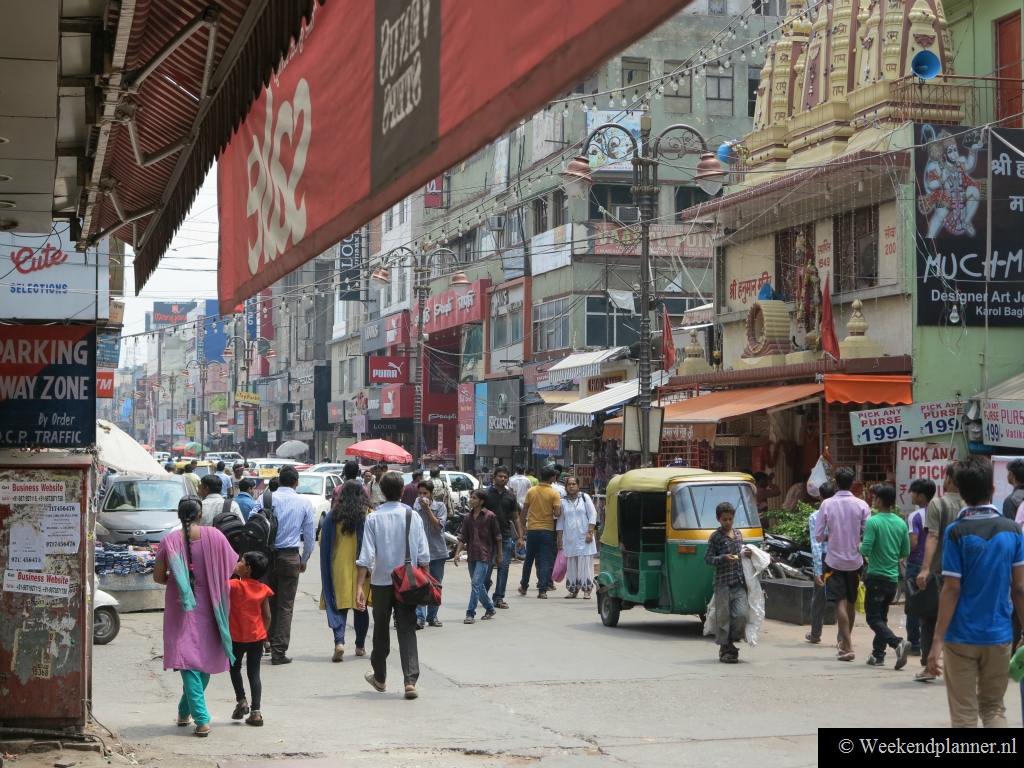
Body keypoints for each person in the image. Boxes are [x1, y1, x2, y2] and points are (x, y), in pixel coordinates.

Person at [926, 458, 1024, 728]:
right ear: (993, 489)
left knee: (964, 715)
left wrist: (937, 641)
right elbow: (1019, 588)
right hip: (999, 636)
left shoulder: (956, 532)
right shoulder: (1013, 530)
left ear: (960, 491)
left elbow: (952, 589)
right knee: (994, 709)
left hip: (960, 637)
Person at [153, 495, 237, 737]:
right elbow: (231, 568)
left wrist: (181, 581)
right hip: (212, 604)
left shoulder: (168, 541)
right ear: (201, 515)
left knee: (188, 661)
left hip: (180, 606)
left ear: (179, 516)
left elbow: (158, 577)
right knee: (200, 660)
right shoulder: (216, 536)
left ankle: (190, 715)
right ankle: (197, 717)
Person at [356, 471, 429, 699]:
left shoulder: (373, 518)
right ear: (402, 492)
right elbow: (423, 555)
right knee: (407, 629)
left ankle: (380, 677)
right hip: (408, 582)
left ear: (381, 492)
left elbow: (366, 557)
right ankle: (410, 682)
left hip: (381, 582)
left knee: (380, 629)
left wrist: (359, 587)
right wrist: (427, 584)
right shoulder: (413, 516)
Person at [250, 466, 316, 665]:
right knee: (286, 606)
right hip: (289, 557)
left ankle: (269, 642)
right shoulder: (304, 503)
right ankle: (279, 651)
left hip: (266, 558)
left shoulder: (265, 499)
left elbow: (251, 523)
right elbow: (310, 536)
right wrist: (304, 560)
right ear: (296, 483)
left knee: (269, 601)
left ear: (279, 481)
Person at [814, 466, 871, 662]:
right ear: (853, 482)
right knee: (851, 602)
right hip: (855, 560)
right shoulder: (862, 505)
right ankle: (846, 643)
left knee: (840, 601)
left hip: (834, 560)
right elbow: (867, 533)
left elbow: (818, 535)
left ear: (835, 482)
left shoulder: (827, 504)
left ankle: (848, 646)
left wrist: (832, 535)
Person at [914, 464, 962, 682]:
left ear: (949, 479)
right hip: (962, 571)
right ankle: (956, 668)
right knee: (957, 619)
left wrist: (925, 569)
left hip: (939, 571)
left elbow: (933, 536)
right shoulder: (970, 504)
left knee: (930, 619)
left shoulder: (937, 503)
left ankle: (929, 666)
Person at [859, 483, 912, 669]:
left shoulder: (873, 522)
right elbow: (905, 551)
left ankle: (897, 643)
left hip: (876, 576)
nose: (872, 501)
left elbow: (866, 548)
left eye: (874, 498)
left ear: (880, 501)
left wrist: (858, 547)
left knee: (873, 618)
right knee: (882, 617)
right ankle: (878, 654)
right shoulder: (900, 523)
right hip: (892, 578)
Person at [319, 479, 371, 662]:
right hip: (362, 569)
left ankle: (339, 643)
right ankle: (360, 646)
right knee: (360, 607)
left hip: (338, 567)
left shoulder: (333, 516)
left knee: (338, 606)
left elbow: (322, 541)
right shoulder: (367, 515)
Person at [228, 551, 272, 727]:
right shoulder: (263, 589)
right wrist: (263, 634)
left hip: (236, 637)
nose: (237, 563)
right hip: (256, 637)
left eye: (241, 561)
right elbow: (267, 616)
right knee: (254, 673)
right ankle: (256, 712)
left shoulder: (233, 585)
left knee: (234, 668)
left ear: (247, 568)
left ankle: (242, 701)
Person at [705, 501, 753, 663]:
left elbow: (740, 555)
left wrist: (746, 553)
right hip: (722, 583)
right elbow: (708, 559)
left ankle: (730, 642)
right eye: (724, 519)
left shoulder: (738, 534)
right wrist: (723, 558)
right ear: (718, 519)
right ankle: (724, 648)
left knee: (742, 614)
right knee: (723, 618)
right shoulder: (715, 537)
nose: (728, 522)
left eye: (730, 519)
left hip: (739, 582)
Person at [453, 489, 502, 624]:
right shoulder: (468, 517)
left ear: (481, 501)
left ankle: (470, 613)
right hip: (472, 554)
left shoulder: (490, 516)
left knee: (475, 583)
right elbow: (463, 536)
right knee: (478, 584)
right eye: (471, 497)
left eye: (474, 498)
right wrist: (457, 553)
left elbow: (498, 537)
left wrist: (499, 555)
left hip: (485, 555)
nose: (471, 500)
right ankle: (490, 608)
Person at [518, 466, 562, 599]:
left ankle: (524, 586)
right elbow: (557, 513)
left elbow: (524, 510)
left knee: (529, 559)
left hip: (532, 529)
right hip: (547, 530)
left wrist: (522, 525)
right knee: (544, 560)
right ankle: (542, 590)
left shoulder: (531, 491)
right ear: (553, 478)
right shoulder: (554, 493)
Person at [482, 466, 520, 609]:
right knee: (487, 569)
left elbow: (516, 517)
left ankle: (499, 597)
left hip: (505, 537)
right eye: (500, 476)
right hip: (487, 538)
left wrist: (520, 537)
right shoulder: (485, 494)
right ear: (494, 477)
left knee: (503, 568)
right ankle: (484, 594)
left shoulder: (510, 496)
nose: (502, 479)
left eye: (505, 477)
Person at [906, 478, 936, 655]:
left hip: (916, 562)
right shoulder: (938, 512)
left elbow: (913, 543)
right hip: (934, 563)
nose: (911, 496)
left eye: (914, 493)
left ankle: (914, 644)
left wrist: (903, 554)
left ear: (921, 496)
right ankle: (930, 643)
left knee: (913, 603)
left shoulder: (915, 516)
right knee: (932, 603)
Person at [413, 480, 448, 629]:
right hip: (420, 553)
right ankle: (419, 618)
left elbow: (438, 527)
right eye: (420, 493)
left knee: (435, 585)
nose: (422, 496)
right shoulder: (415, 507)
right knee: (420, 585)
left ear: (431, 494)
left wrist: (427, 509)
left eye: (425, 493)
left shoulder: (440, 507)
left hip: (437, 552)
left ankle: (432, 616)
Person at [557, 477, 598, 599]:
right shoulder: (563, 502)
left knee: (585, 562)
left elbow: (592, 514)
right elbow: (560, 521)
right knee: (572, 563)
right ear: (566, 487)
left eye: (573, 484)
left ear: (578, 486)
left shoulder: (585, 498)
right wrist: (559, 539)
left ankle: (587, 591)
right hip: (570, 538)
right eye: (569, 484)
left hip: (585, 537)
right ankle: (573, 590)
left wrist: (590, 532)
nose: (571, 486)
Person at [805, 481, 835, 644]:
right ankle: (842, 638)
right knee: (842, 597)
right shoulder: (841, 514)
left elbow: (816, 545)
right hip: (840, 557)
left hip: (824, 559)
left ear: (820, 497)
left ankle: (815, 633)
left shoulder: (815, 516)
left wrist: (817, 570)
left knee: (818, 598)